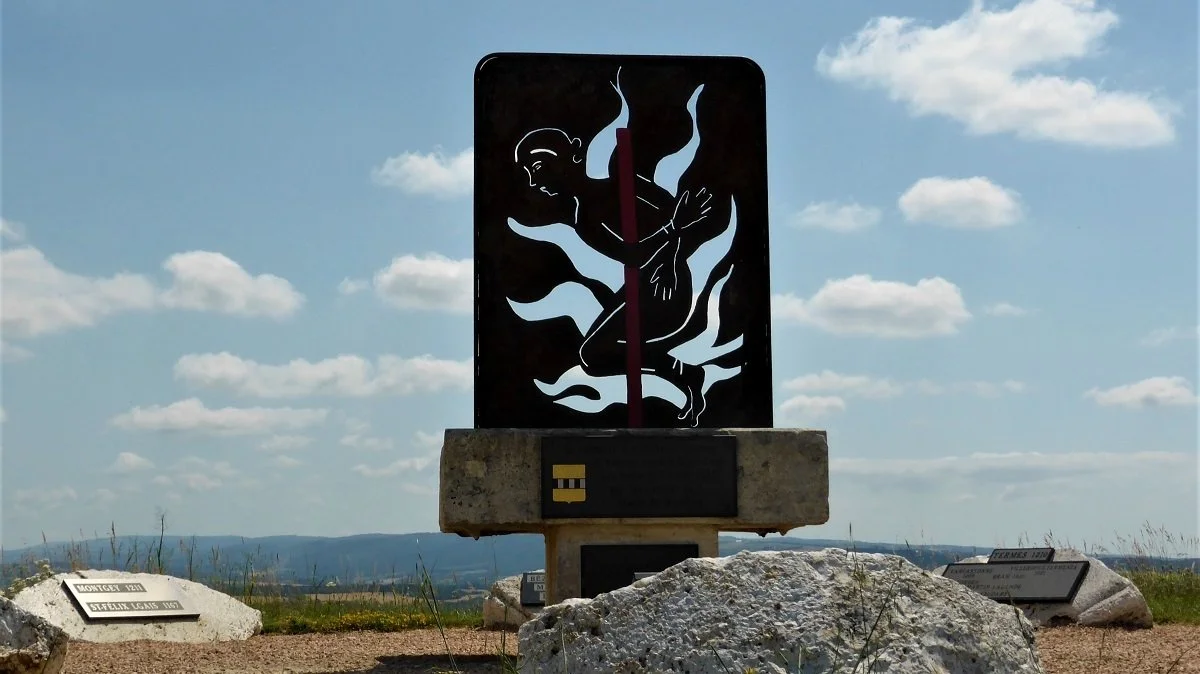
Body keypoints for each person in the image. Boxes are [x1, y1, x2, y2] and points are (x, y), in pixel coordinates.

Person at [513, 127, 718, 425]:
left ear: (573, 154)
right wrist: (672, 231)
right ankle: (685, 373)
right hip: (645, 281)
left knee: (594, 353)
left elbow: (675, 214)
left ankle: (685, 373)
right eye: (529, 173)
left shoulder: (624, 184)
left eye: (539, 167)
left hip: (666, 287)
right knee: (593, 355)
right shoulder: (585, 220)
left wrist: (671, 253)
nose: (535, 181)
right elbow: (633, 255)